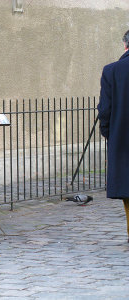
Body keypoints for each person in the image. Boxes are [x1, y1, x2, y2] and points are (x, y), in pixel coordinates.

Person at [97, 29, 129, 243]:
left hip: (123, 141)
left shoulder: (112, 70)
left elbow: (105, 111)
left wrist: (111, 135)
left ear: (125, 45)